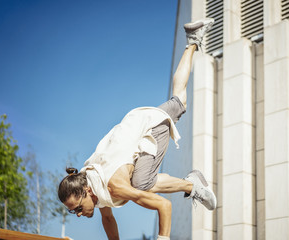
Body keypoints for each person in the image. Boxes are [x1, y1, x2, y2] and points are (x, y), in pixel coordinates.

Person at [58, 18, 216, 240]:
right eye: (72, 211)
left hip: (148, 127)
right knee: (179, 98)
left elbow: (164, 206)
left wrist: (163, 237)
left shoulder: (113, 186)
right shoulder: (94, 181)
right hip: (137, 123)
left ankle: (192, 185)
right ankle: (193, 41)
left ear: (86, 192)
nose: (77, 214)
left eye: (76, 208)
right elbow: (108, 219)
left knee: (142, 184)